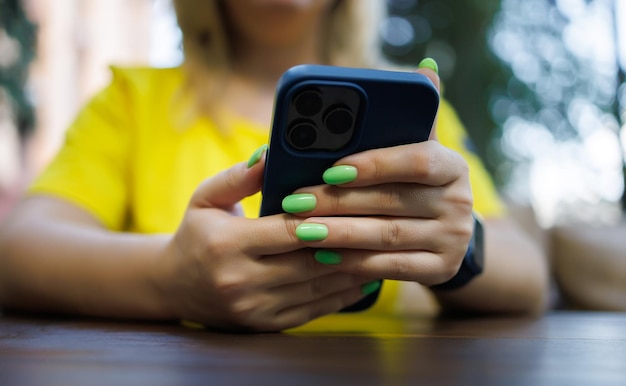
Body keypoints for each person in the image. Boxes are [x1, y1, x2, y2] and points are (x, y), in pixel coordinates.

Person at [0, 0, 549, 332]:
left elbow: (528, 275)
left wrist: (458, 244)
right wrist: (168, 279)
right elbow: (20, 250)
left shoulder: (416, 108)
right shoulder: (132, 100)